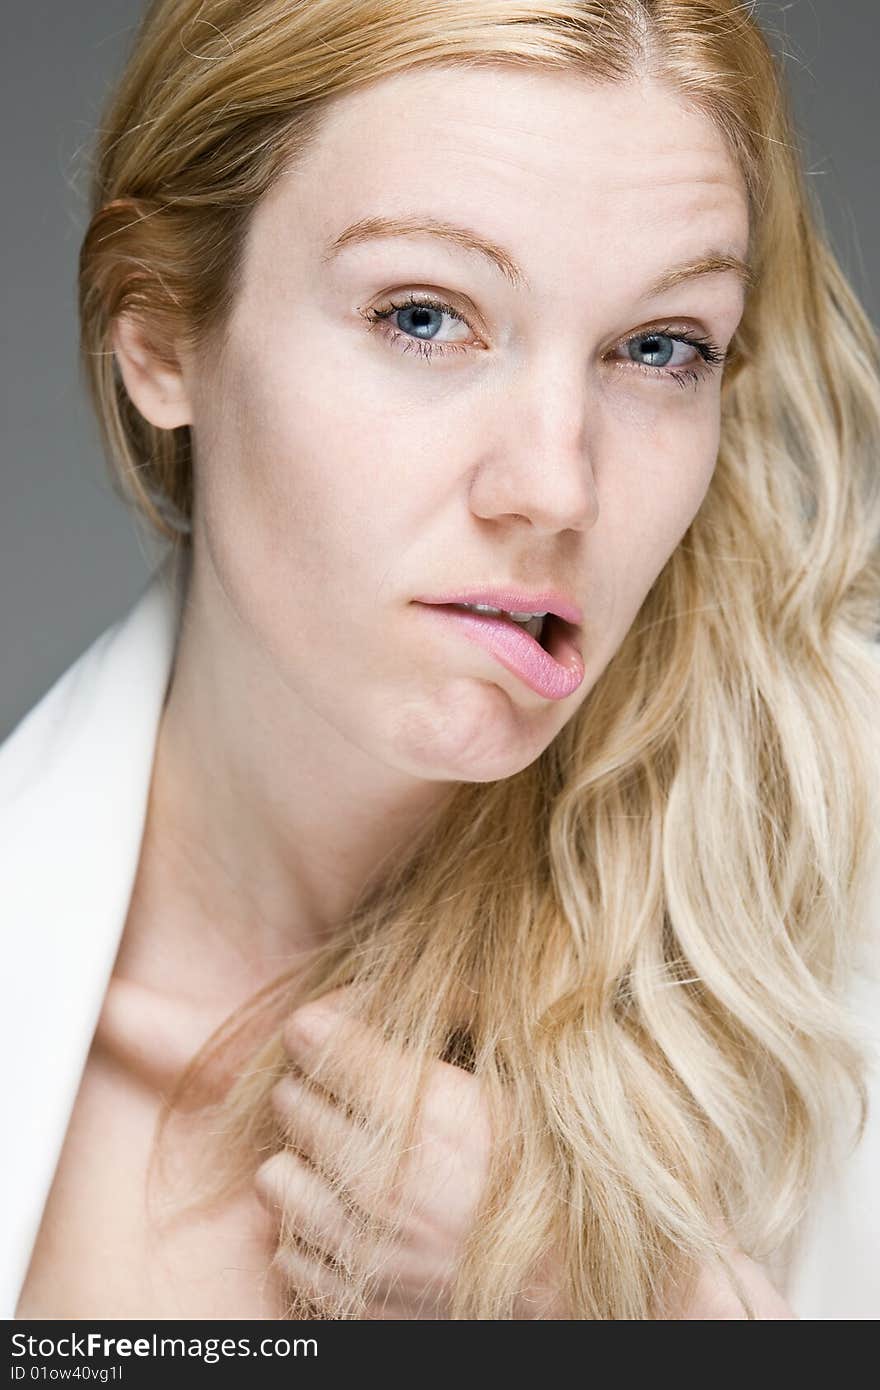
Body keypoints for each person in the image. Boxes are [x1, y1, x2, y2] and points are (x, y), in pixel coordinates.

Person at [3, 0, 879, 1320]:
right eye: (423, 317)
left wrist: (619, 1296)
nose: (556, 484)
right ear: (161, 335)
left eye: (659, 347)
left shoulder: (842, 899)